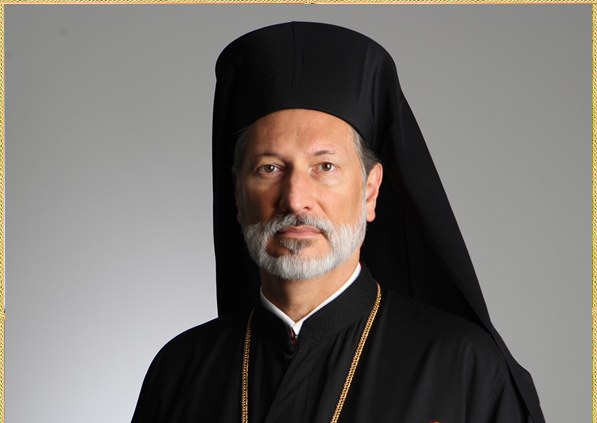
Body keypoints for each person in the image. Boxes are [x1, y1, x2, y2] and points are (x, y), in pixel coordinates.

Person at [131, 22, 545, 423]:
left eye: (325, 166)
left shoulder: (466, 369)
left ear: (370, 190)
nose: (295, 199)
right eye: (269, 168)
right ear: (237, 194)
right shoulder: (180, 371)